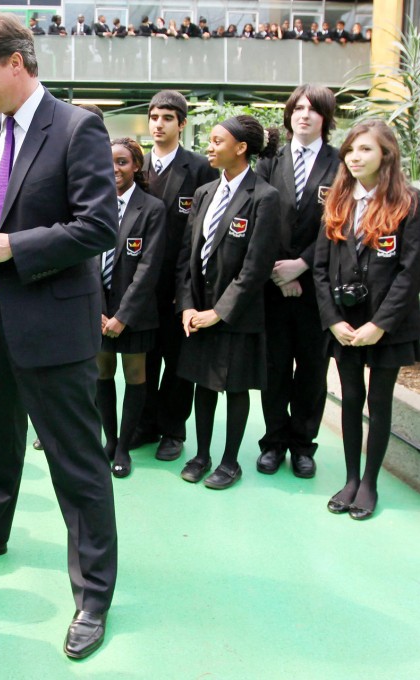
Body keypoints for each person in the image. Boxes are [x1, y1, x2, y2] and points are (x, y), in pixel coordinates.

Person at [0, 13, 118, 661]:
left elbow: (98, 227)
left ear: (17, 62)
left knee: (76, 464)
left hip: (54, 324)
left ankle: (93, 592)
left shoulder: (77, 127)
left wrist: (13, 246)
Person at [314, 119, 420, 520]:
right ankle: (351, 478)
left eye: (366, 150)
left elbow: (410, 273)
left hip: (386, 325)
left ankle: (370, 483)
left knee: (378, 401)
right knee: (351, 398)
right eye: (352, 150)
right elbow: (320, 269)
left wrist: (381, 324)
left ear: (386, 155)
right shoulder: (339, 201)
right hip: (344, 324)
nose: (355, 157)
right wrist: (333, 320)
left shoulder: (408, 202)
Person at [177, 115, 281, 491]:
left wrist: (218, 313)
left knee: (235, 389)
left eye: (218, 140)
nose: (209, 145)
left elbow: (255, 269)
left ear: (241, 148)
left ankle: (230, 461)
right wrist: (188, 305)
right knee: (202, 386)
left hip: (236, 315)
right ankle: (202, 455)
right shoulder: (204, 192)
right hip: (198, 310)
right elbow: (187, 255)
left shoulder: (265, 197)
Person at [255, 85, 340, 479]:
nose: (304, 115)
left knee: (311, 370)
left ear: (326, 116)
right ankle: (273, 442)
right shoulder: (270, 162)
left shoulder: (340, 165)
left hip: (316, 288)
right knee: (273, 369)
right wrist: (278, 268)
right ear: (289, 115)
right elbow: (259, 216)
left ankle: (303, 446)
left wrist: (302, 265)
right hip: (273, 287)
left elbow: (338, 226)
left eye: (313, 109)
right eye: (298, 108)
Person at [137, 91, 215, 462]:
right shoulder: (136, 166)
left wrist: (191, 292)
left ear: (182, 123)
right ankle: (145, 423)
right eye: (154, 117)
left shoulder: (200, 168)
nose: (158, 124)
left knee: (179, 362)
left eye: (167, 118)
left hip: (182, 286)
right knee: (143, 360)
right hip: (139, 286)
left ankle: (173, 430)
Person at [98, 139, 166, 478]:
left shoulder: (152, 208)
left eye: (123, 162)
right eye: (109, 161)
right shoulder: (93, 204)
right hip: (97, 312)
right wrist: (96, 310)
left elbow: (149, 268)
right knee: (102, 373)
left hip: (135, 314)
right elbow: (84, 261)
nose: (115, 169)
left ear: (136, 166)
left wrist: (123, 316)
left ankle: (125, 446)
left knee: (135, 375)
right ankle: (109, 440)